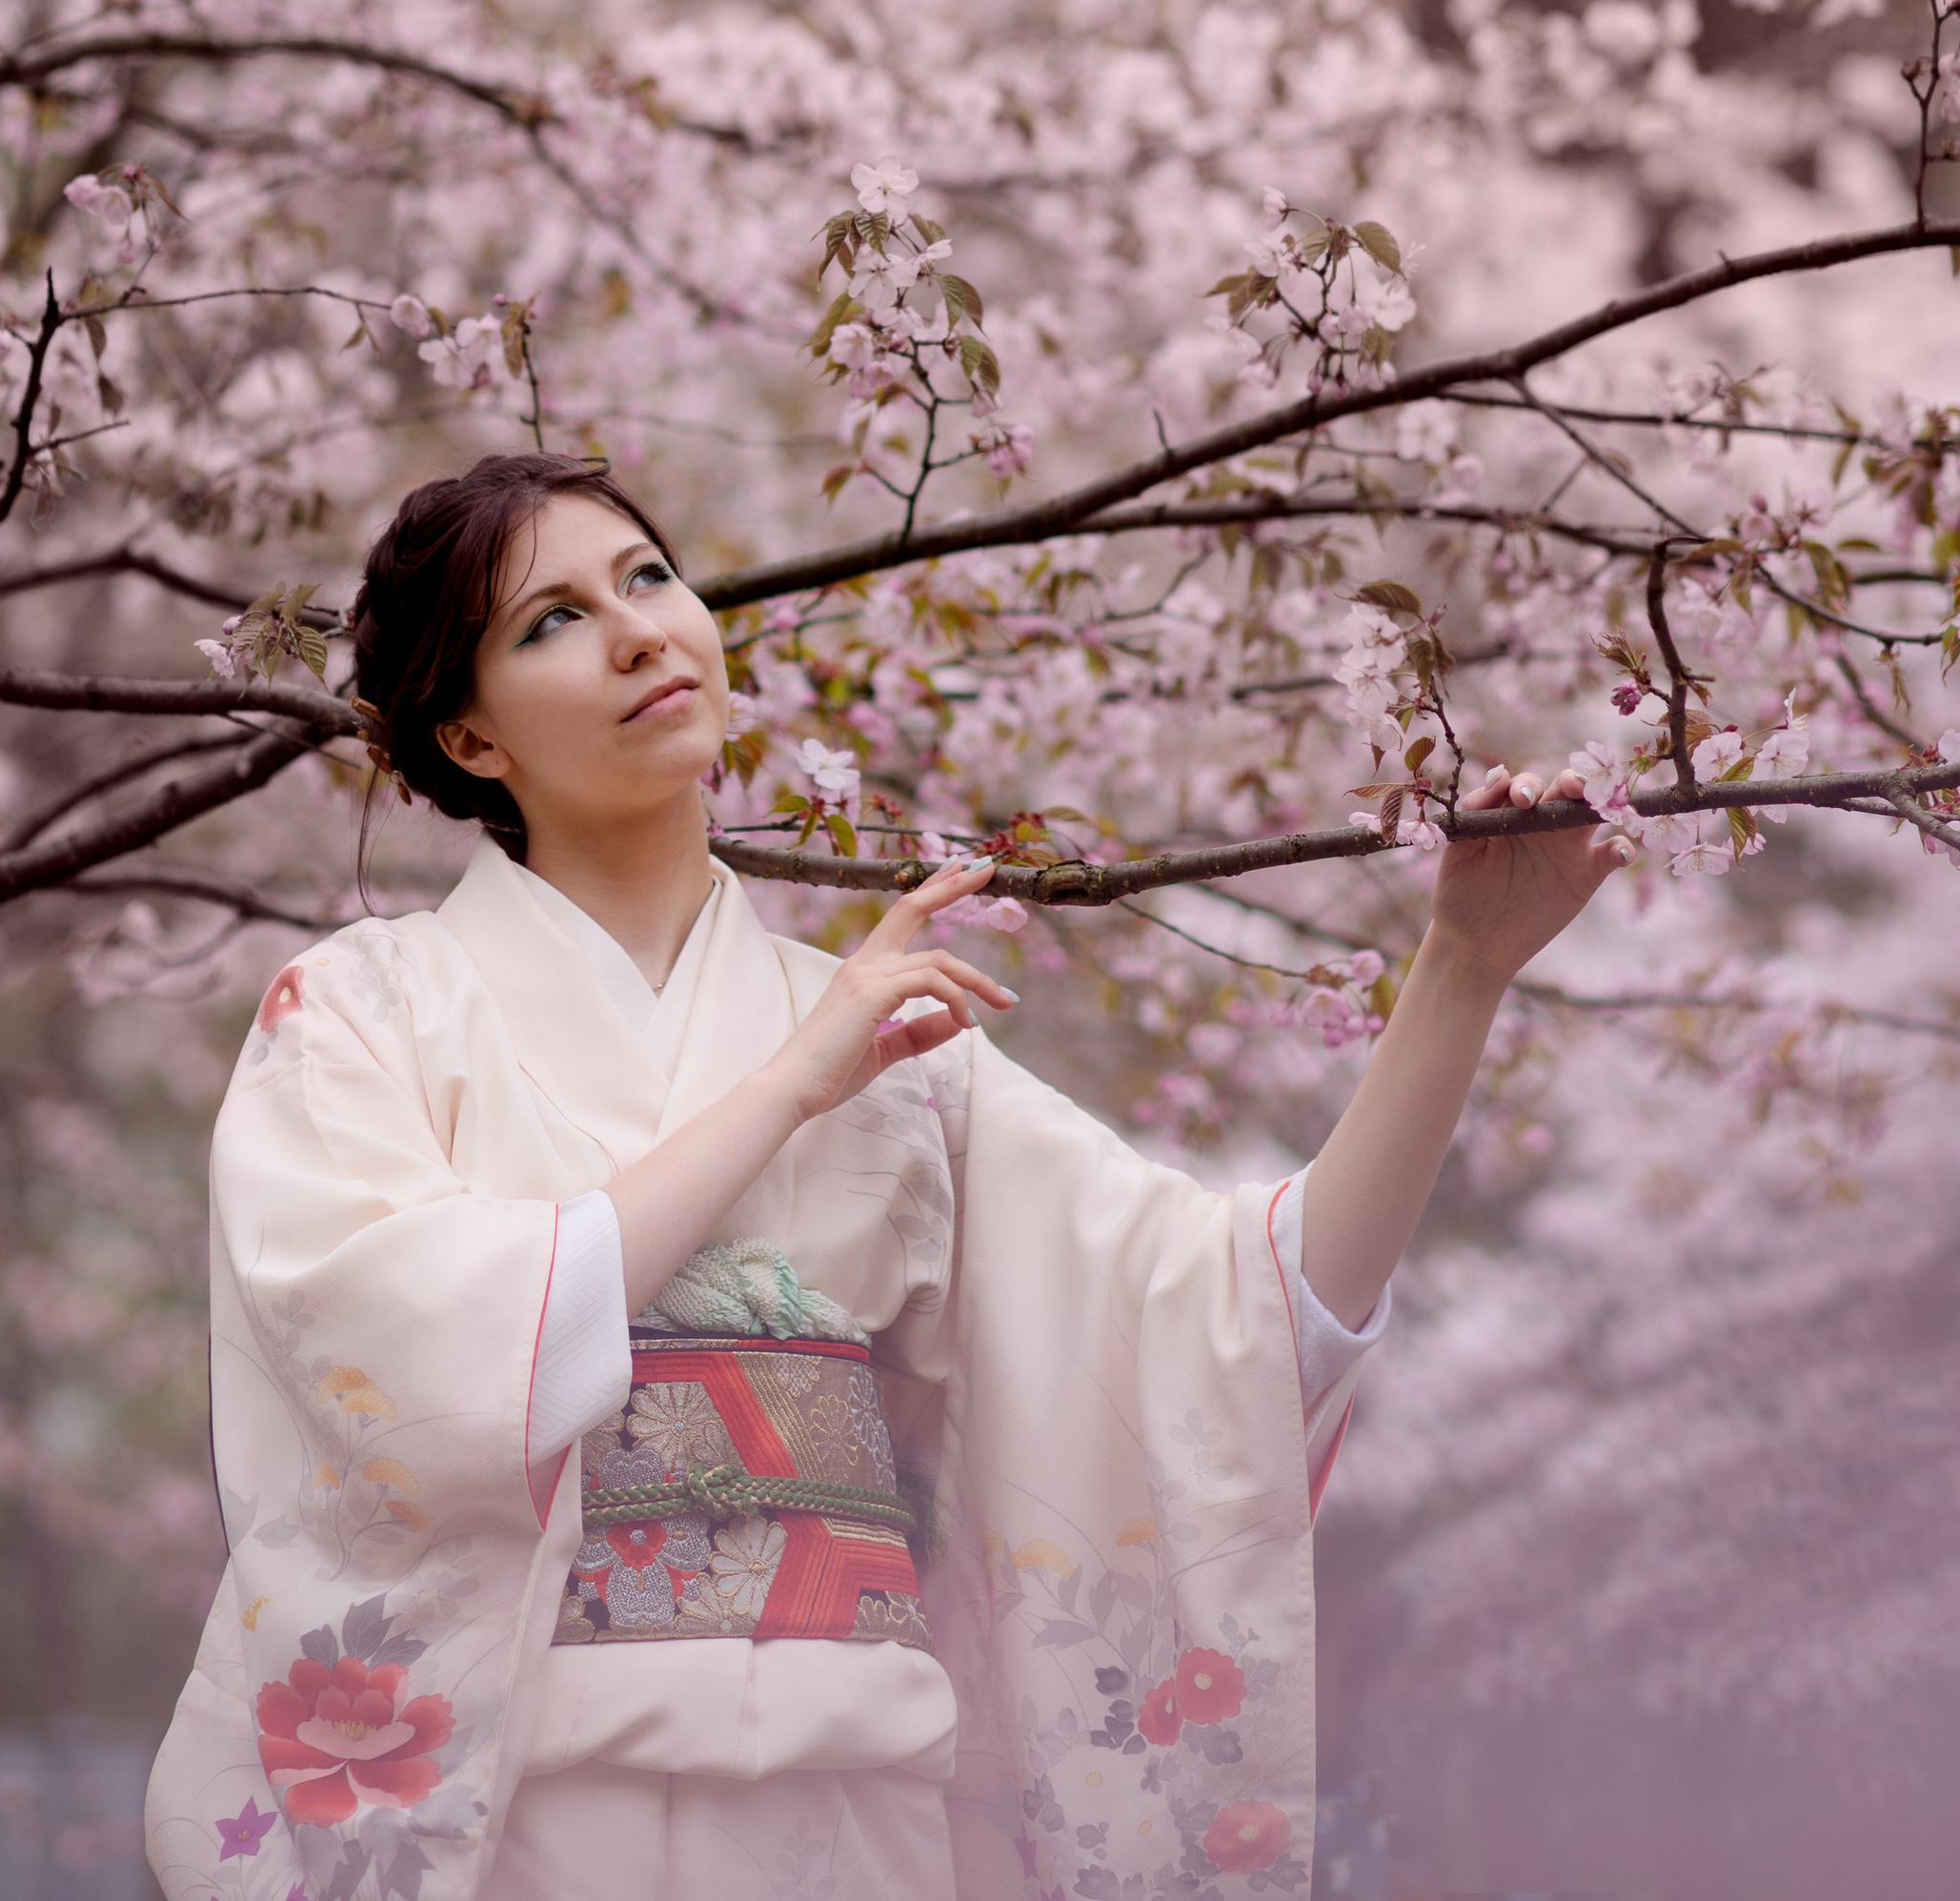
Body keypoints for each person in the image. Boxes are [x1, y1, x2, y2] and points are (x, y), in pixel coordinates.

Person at [147, 452, 1616, 1901]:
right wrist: (789, 1083)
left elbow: (1235, 1327)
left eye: (649, 578)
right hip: (533, 1815)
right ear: (471, 741)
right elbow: (408, 1375)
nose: (642, 629)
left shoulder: (886, 1042)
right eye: (553, 622)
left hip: (855, 1821)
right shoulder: (361, 1015)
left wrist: (1463, 974)